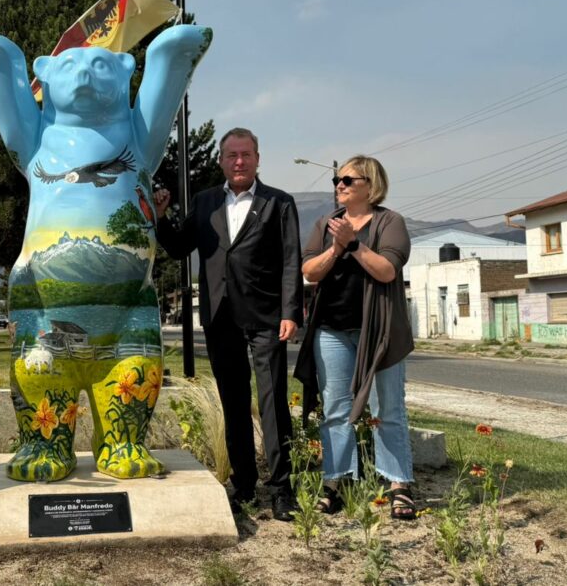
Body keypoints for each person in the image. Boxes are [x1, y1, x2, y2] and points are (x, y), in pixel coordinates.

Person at [155, 127, 302, 521]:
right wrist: (160, 215)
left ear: (258, 159)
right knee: (234, 404)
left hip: (268, 318)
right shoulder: (204, 203)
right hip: (221, 319)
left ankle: (282, 489)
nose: (239, 161)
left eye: (246, 155)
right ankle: (243, 483)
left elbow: (292, 261)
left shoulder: (279, 203)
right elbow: (176, 247)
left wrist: (291, 312)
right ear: (222, 161)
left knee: (273, 406)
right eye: (232, 155)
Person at [294, 155, 417, 521]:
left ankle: (398, 485)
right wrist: (335, 247)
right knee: (335, 410)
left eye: (348, 179)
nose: (340, 185)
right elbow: (309, 271)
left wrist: (354, 245)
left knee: (387, 409)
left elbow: (386, 270)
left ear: (371, 184)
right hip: (330, 330)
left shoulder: (390, 222)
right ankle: (337, 482)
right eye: (337, 180)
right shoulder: (325, 224)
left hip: (377, 331)